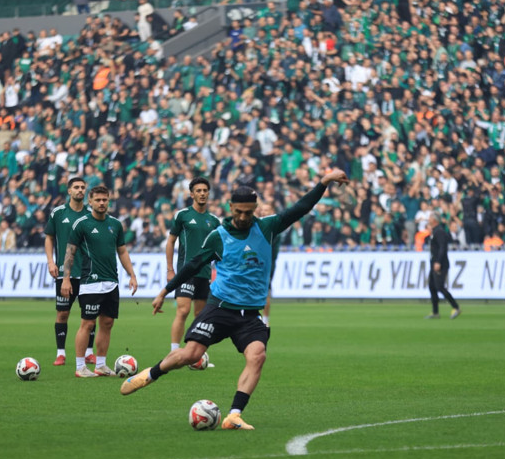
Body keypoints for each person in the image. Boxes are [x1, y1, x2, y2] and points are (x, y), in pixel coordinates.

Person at [121, 169, 350, 431]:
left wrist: (324, 182)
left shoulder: (267, 227)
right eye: (238, 211)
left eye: (248, 212)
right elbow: (194, 263)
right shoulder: (219, 235)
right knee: (191, 354)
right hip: (219, 307)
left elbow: (301, 208)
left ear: (256, 209)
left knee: (258, 355)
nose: (243, 217)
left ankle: (234, 415)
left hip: (249, 315)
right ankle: (150, 374)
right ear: (231, 207)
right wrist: (165, 290)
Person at [61, 185, 138, 378]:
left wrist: (132, 274)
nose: (102, 203)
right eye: (98, 200)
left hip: (111, 281)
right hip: (90, 282)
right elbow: (70, 252)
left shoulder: (116, 224)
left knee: (108, 323)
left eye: (105, 200)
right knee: (87, 324)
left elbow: (122, 251)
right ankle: (80, 367)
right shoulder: (82, 224)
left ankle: (101, 365)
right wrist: (66, 279)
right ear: (90, 201)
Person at [165, 177, 219, 362]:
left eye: (205, 190)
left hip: (205, 274)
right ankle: (173, 351)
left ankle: (197, 354)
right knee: (183, 310)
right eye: (199, 190)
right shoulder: (183, 215)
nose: (202, 193)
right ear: (191, 194)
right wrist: (170, 269)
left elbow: (220, 250)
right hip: (185, 273)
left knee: (200, 315)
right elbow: (171, 241)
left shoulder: (214, 221)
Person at [44, 177, 96, 367]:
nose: (80, 190)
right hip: (64, 273)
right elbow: (49, 237)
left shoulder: (91, 214)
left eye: (83, 187)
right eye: (76, 187)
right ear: (69, 191)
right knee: (62, 314)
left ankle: (90, 353)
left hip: (88, 273)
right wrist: (51, 261)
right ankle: (61, 353)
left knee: (89, 315)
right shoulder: (58, 213)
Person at [425, 213, 461, 319]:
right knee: (432, 286)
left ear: (435, 220)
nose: (429, 219)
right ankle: (435, 312)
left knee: (439, 286)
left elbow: (442, 248)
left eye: (430, 218)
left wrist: (438, 262)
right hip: (434, 262)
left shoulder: (439, 232)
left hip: (440, 263)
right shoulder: (435, 231)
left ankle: (456, 307)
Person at [256, 201, 281, 327]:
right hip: (254, 263)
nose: (264, 212)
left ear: (272, 212)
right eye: (263, 209)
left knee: (265, 292)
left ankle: (265, 320)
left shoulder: (273, 227)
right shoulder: (258, 225)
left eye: (267, 210)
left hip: (266, 264)